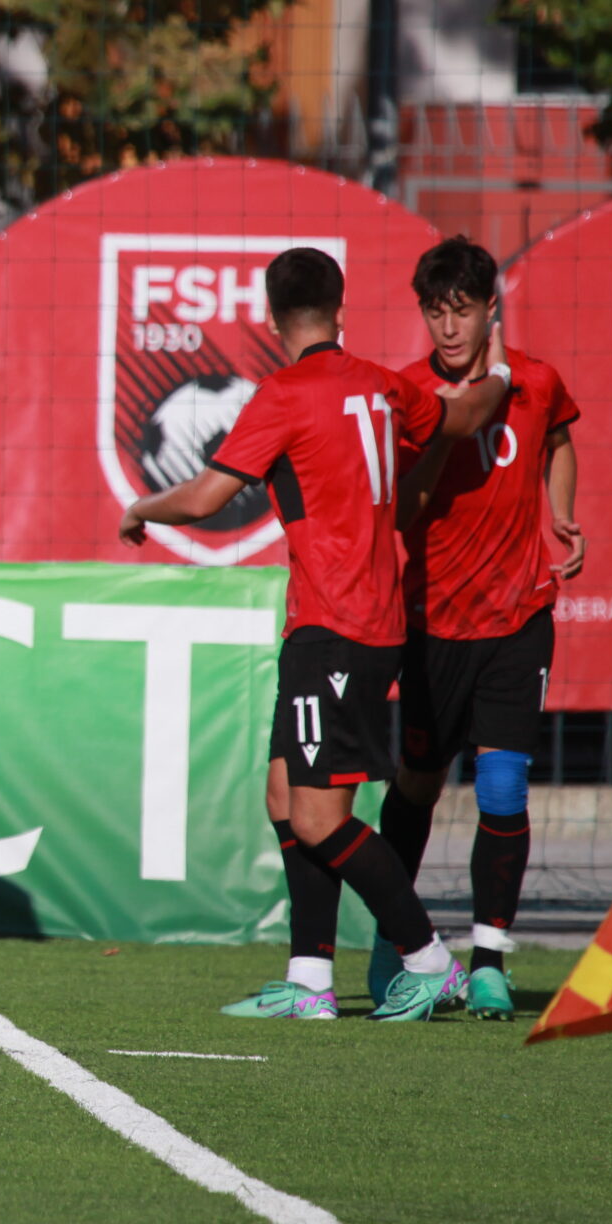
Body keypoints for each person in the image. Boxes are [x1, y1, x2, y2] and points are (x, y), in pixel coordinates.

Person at [115, 246, 509, 1021]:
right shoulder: (382, 383)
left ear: (271, 318)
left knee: (318, 818)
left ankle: (430, 959)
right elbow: (462, 415)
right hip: (364, 621)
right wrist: (498, 375)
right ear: (340, 310)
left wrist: (139, 510)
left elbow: (203, 498)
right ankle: (310, 977)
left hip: (336, 624)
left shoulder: (284, 394)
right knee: (282, 792)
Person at [367, 237, 582, 1021]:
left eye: (462, 310)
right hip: (432, 625)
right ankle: (398, 940)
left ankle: (489, 956)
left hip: (518, 616)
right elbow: (403, 508)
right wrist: (442, 437)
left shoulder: (537, 382)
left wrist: (560, 514)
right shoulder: (410, 396)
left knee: (501, 782)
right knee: (419, 782)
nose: (448, 326)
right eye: (435, 310)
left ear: (492, 307)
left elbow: (558, 440)